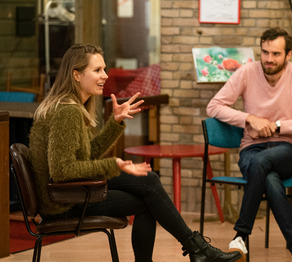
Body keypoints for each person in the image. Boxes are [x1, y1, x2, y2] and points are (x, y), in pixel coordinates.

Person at [29, 43, 242, 262]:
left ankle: (197, 249)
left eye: (104, 69)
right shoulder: (67, 112)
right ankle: (198, 250)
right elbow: (62, 171)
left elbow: (85, 156)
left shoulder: (69, 107)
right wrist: (115, 165)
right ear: (76, 74)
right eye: (97, 70)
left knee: (149, 180)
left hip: (70, 192)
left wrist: (115, 122)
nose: (105, 75)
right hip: (63, 202)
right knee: (148, 198)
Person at [206, 27, 292, 260]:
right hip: (252, 148)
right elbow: (214, 106)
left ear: (288, 55)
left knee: (262, 163)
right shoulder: (247, 72)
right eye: (264, 52)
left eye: (276, 54)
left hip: (287, 149)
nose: (269, 59)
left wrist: (278, 125)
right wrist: (249, 118)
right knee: (269, 179)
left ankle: (240, 235)